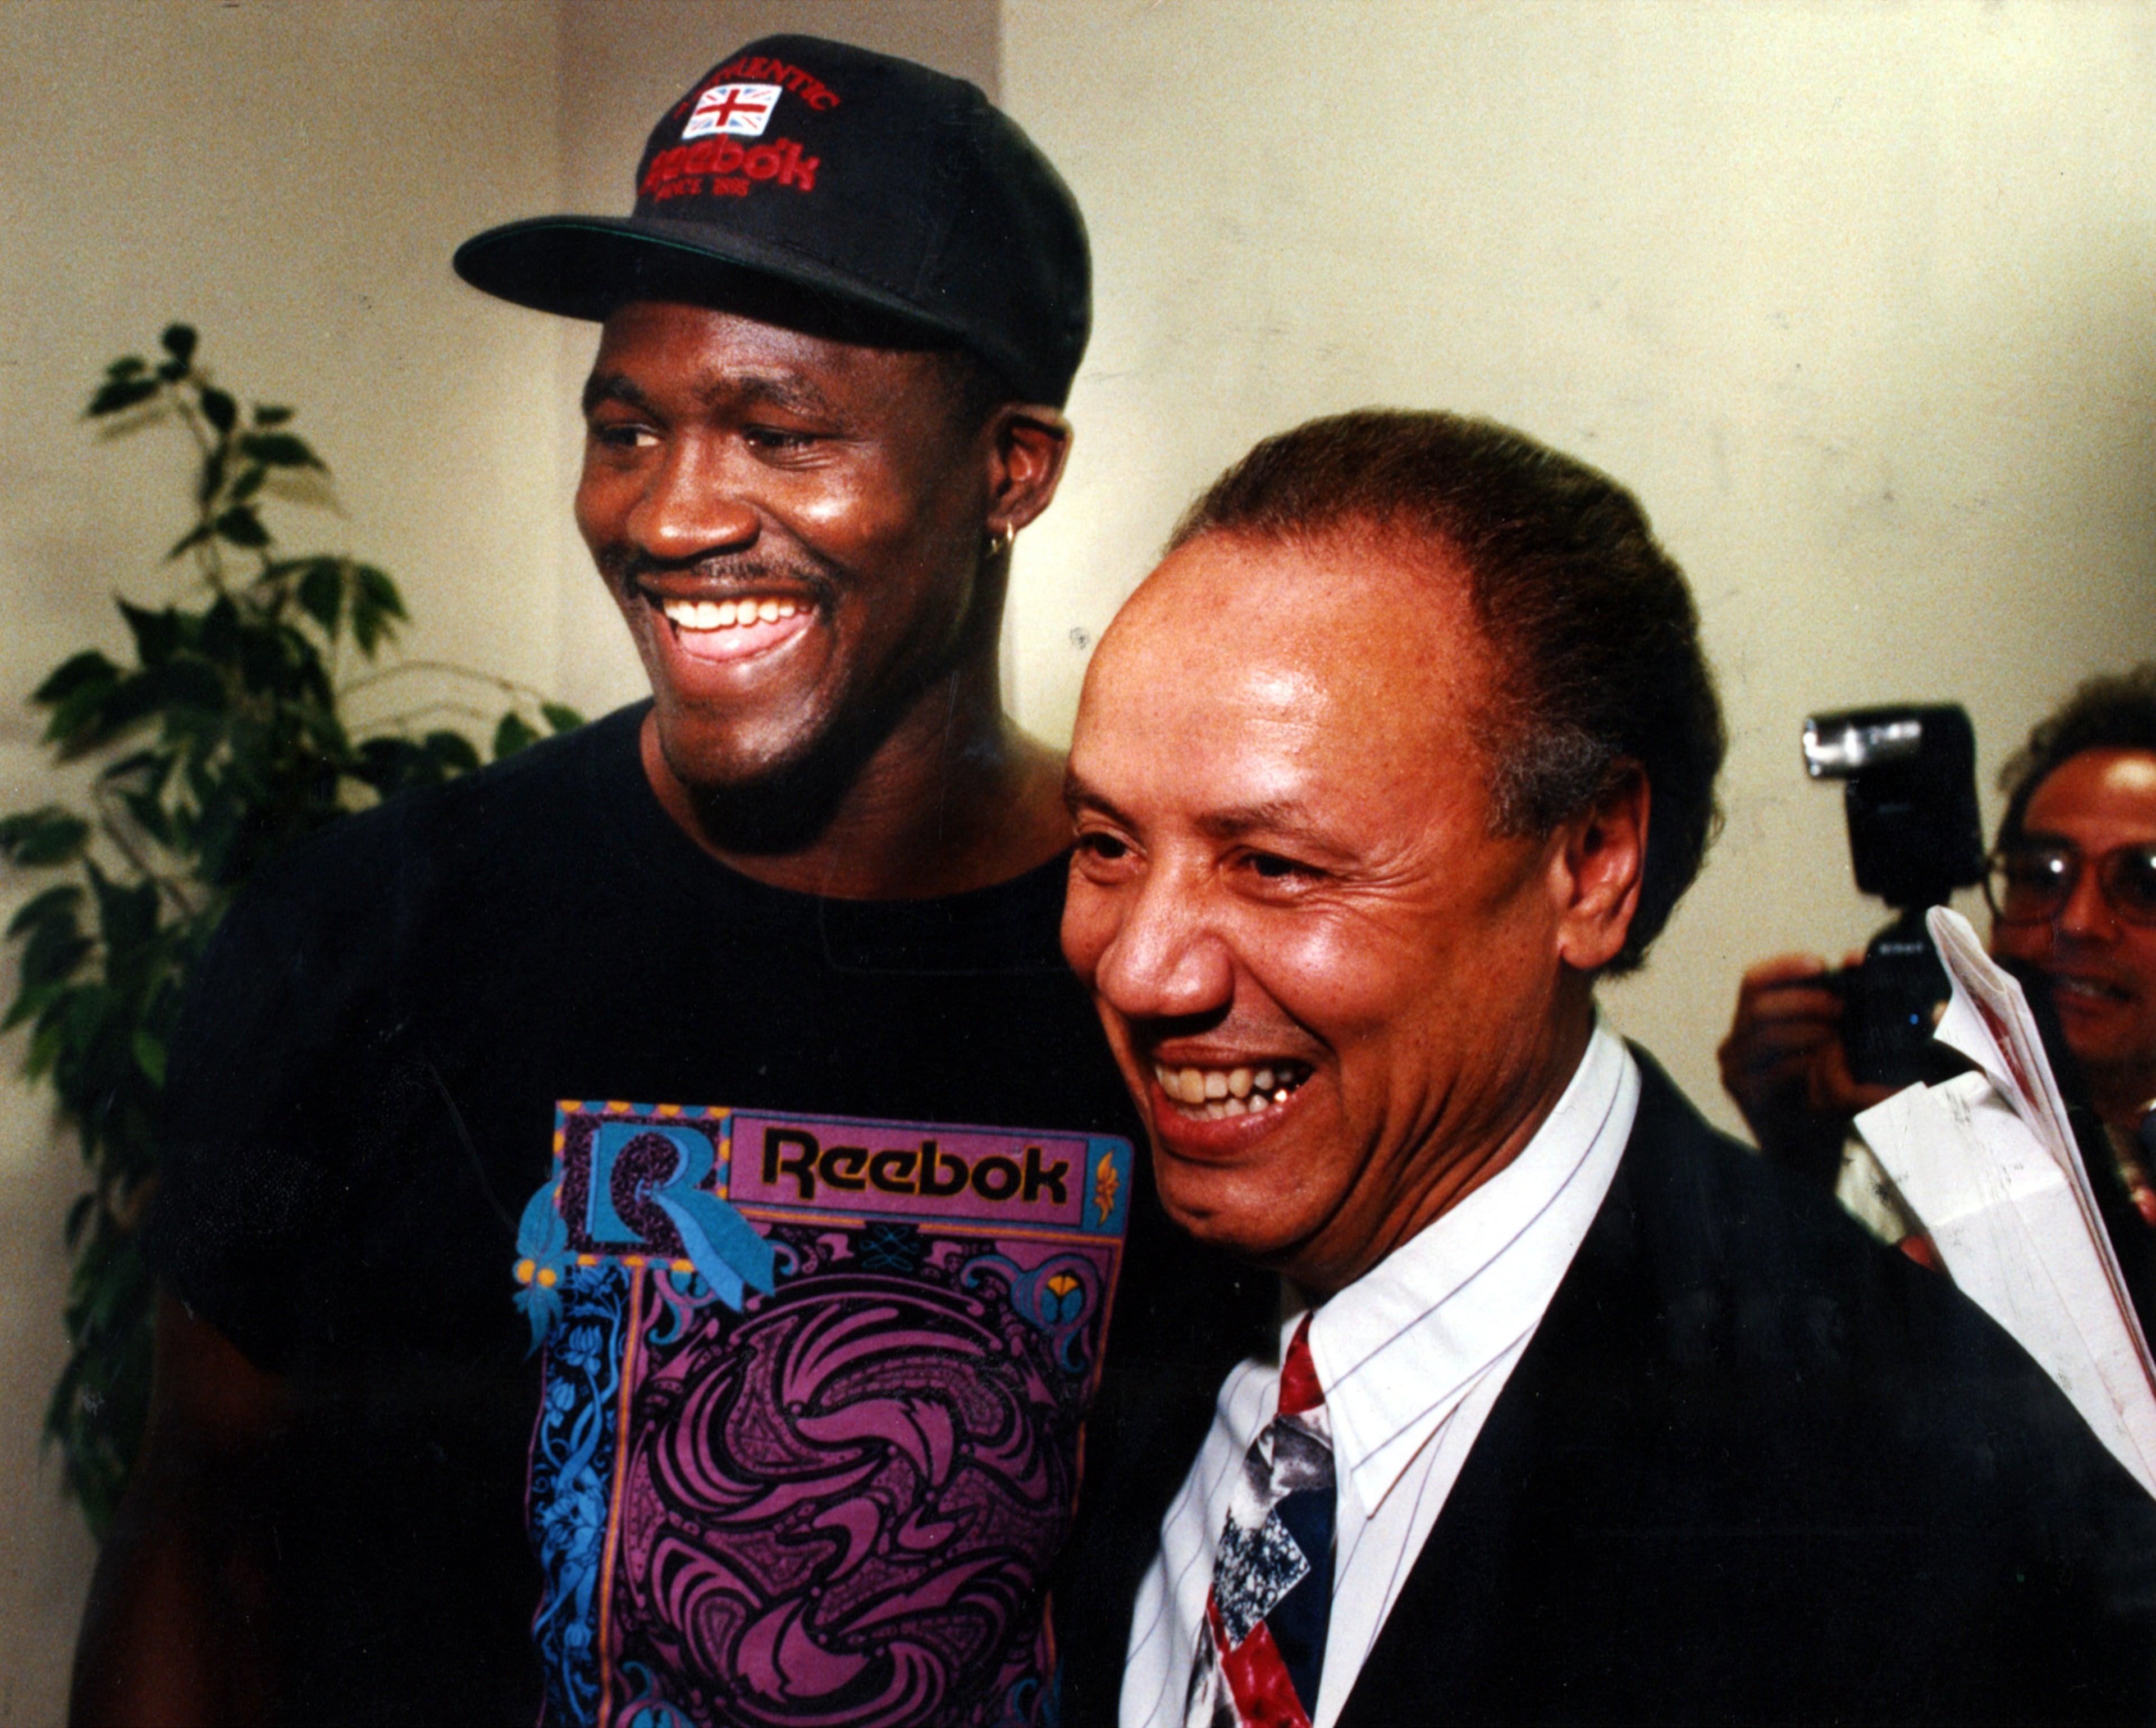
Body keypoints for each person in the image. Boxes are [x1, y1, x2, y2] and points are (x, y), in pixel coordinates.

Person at [70, 36, 1255, 1728]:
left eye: (777, 433)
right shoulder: (358, 936)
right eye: (626, 425)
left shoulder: (1178, 967)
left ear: (1009, 469)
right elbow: (202, 1534)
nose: (670, 514)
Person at [1060, 409, 2156, 1727]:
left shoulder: (1915, 1499)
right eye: (1105, 842)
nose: (1139, 969)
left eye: (1275, 865)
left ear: (1590, 864)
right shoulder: (1107, 1298)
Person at [1720, 666, 2156, 1257]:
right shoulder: (1915, 1146)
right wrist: (1801, 1160)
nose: (2076, 922)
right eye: (2039, 876)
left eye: (2144, 884)